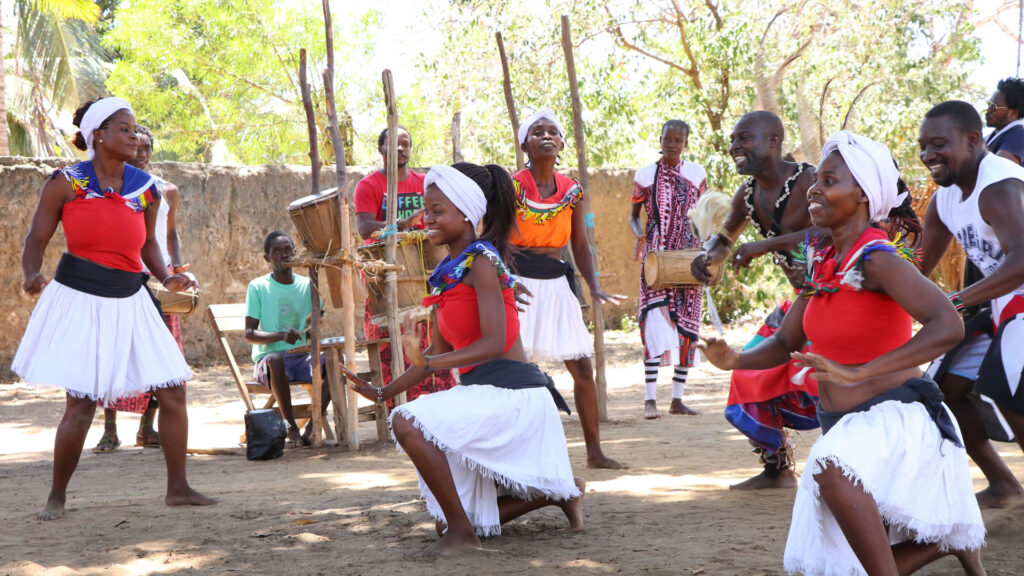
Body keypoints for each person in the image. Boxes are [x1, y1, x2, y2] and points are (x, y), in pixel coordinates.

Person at [701, 131, 986, 575]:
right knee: (836, 565)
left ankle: (949, 544)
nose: (815, 189)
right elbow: (784, 343)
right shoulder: (825, 262)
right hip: (844, 425)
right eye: (816, 181)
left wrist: (861, 372)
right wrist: (735, 359)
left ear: (862, 195)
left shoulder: (878, 258)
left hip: (894, 421)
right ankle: (948, 544)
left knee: (830, 469)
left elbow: (947, 324)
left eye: (829, 181)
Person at [346, 162, 584, 557]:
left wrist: (428, 361)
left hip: (514, 396)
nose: (427, 220)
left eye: (437, 211)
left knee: (407, 422)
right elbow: (433, 357)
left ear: (468, 215)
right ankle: (558, 492)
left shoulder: (484, 263)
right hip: (484, 393)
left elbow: (493, 343)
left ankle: (464, 535)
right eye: (427, 210)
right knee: (441, 519)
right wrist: (382, 391)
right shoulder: (447, 272)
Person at [14, 97, 217, 520]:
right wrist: (32, 273)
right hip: (80, 297)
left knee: (174, 390)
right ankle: (57, 495)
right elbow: (36, 239)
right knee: (82, 404)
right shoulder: (66, 182)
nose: (134, 136)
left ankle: (178, 487)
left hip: (132, 296)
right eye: (124, 129)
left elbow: (147, 245)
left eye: (135, 129)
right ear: (98, 135)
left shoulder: (147, 188)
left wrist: (168, 278)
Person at [692, 111, 820, 489]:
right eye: (733, 140)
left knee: (838, 386)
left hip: (835, 297)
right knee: (748, 373)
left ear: (774, 141)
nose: (735, 147)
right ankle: (777, 468)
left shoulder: (809, 180)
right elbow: (726, 237)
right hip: (800, 301)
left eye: (744, 138)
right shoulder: (748, 194)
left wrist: (767, 244)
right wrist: (708, 256)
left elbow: (829, 233)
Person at [918, 100, 1024, 509]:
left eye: (938, 144)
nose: (928, 155)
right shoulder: (945, 200)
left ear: (973, 140)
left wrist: (957, 300)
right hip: (1004, 304)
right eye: (923, 146)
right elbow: (918, 265)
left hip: (1015, 298)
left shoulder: (999, 185)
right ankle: (1003, 485)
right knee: (943, 388)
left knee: (1003, 386)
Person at [511, 108, 626, 469]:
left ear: (561, 143)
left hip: (558, 282)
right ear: (525, 145)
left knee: (581, 369)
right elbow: (496, 238)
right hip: (520, 282)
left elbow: (578, 245)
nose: (546, 136)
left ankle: (594, 452)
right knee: (518, 370)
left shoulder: (571, 191)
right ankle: (517, 453)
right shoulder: (513, 187)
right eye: (537, 132)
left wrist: (592, 285)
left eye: (552, 132)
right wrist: (504, 281)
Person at [93, 124, 188, 453]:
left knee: (159, 354)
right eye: (137, 148)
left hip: (158, 279)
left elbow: (169, 234)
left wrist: (176, 267)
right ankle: (109, 429)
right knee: (114, 354)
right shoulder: (112, 190)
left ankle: (147, 428)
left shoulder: (166, 191)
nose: (142, 154)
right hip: (122, 278)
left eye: (147, 149)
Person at [354, 125, 456, 402]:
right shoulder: (369, 185)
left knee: (432, 337)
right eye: (394, 143)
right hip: (387, 276)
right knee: (392, 340)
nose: (400, 148)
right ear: (381, 148)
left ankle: (440, 398)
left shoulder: (425, 184)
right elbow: (364, 228)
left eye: (405, 143)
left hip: (425, 275)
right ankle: (396, 402)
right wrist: (398, 225)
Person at [629, 119, 705, 418]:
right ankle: (650, 399)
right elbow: (634, 215)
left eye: (677, 140)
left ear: (685, 143)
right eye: (667, 139)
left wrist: (706, 246)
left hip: (689, 256)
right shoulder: (645, 175)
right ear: (659, 140)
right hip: (657, 257)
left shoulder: (696, 174)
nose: (671, 144)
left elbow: (703, 213)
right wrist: (639, 234)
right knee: (655, 324)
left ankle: (676, 399)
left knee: (688, 328)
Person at [244, 231, 330, 448]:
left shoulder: (307, 285)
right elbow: (250, 334)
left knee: (333, 361)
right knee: (275, 358)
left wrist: (313, 324)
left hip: (302, 357)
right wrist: (282, 336)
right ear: (267, 257)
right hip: (270, 362)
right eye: (276, 251)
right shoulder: (258, 287)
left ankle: (313, 425)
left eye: (288, 250)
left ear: (295, 254)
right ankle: (291, 427)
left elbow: (315, 324)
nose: (283, 255)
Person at [985, 77, 1024, 165]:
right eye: (989, 105)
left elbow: (1000, 169)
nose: (988, 110)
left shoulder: (1019, 135)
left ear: (1013, 112)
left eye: (994, 107)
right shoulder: (991, 136)